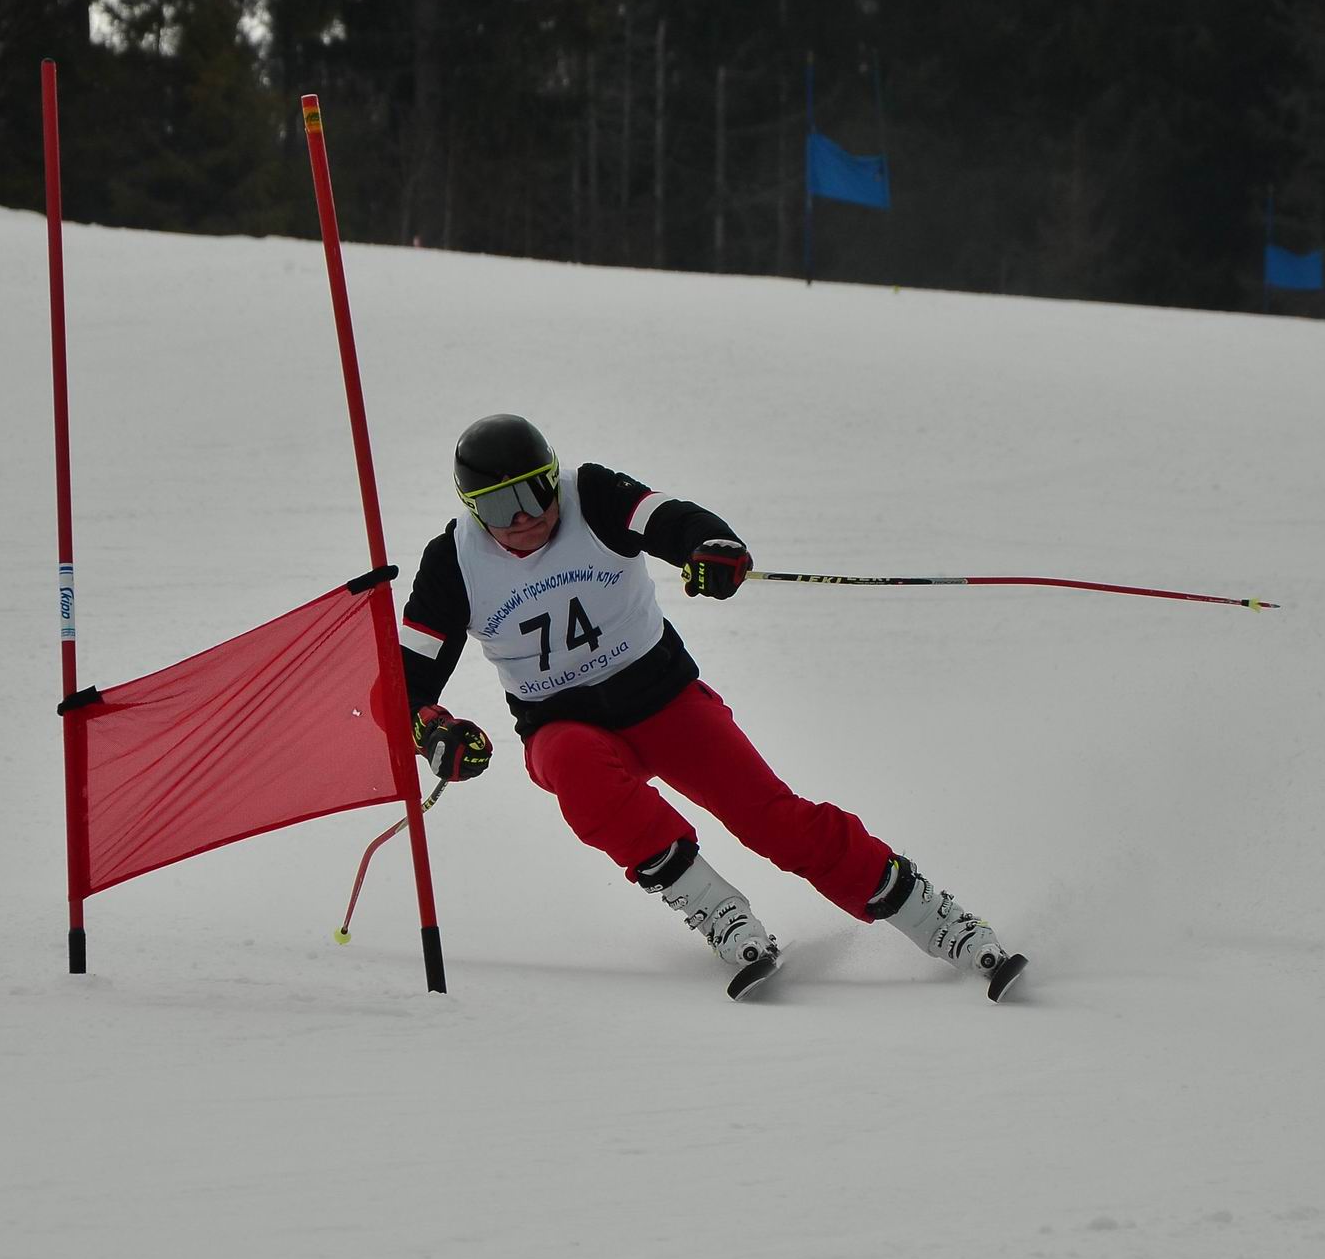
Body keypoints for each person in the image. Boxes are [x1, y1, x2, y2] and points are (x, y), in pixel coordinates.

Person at [396, 413, 1024, 997]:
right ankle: (716, 909)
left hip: (664, 702)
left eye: (535, 494)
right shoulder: (454, 563)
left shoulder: (592, 495)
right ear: (471, 508)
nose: (521, 518)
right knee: (575, 767)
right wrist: (433, 730)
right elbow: (404, 684)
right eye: (496, 506)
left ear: (553, 475)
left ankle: (939, 920)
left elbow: (673, 520)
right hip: (561, 723)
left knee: (772, 820)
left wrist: (713, 550)